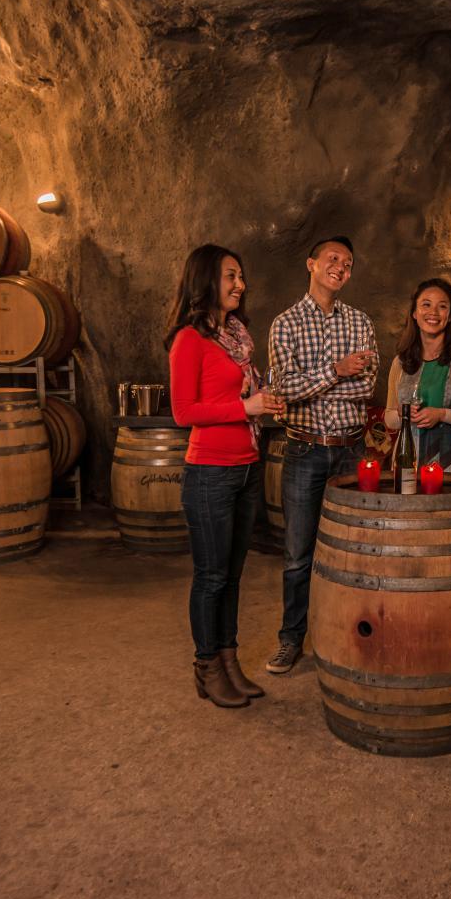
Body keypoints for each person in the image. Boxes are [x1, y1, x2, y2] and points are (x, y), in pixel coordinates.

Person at [167, 243, 286, 707]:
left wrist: (262, 397)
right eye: (231, 276)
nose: (241, 284)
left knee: (234, 575)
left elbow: (241, 396)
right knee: (211, 576)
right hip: (210, 472)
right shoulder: (189, 340)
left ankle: (230, 661)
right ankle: (206, 667)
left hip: (245, 469)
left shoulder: (237, 336)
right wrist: (246, 407)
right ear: (205, 281)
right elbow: (183, 411)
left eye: (242, 276)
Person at [265, 236, 378, 674]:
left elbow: (366, 388)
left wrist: (322, 380)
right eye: (332, 259)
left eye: (348, 262)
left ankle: (348, 635)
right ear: (312, 264)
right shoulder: (285, 324)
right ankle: (291, 639)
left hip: (352, 449)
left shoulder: (361, 322)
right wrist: (336, 370)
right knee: (298, 553)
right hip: (304, 450)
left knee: (356, 550)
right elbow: (283, 389)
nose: (341, 266)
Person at [383, 278, 451, 473]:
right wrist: (404, 414)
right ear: (415, 313)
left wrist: (443, 415)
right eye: (426, 305)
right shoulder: (400, 362)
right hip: (409, 464)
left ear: (450, 316)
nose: (433, 312)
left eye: (442, 306)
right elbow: (390, 419)